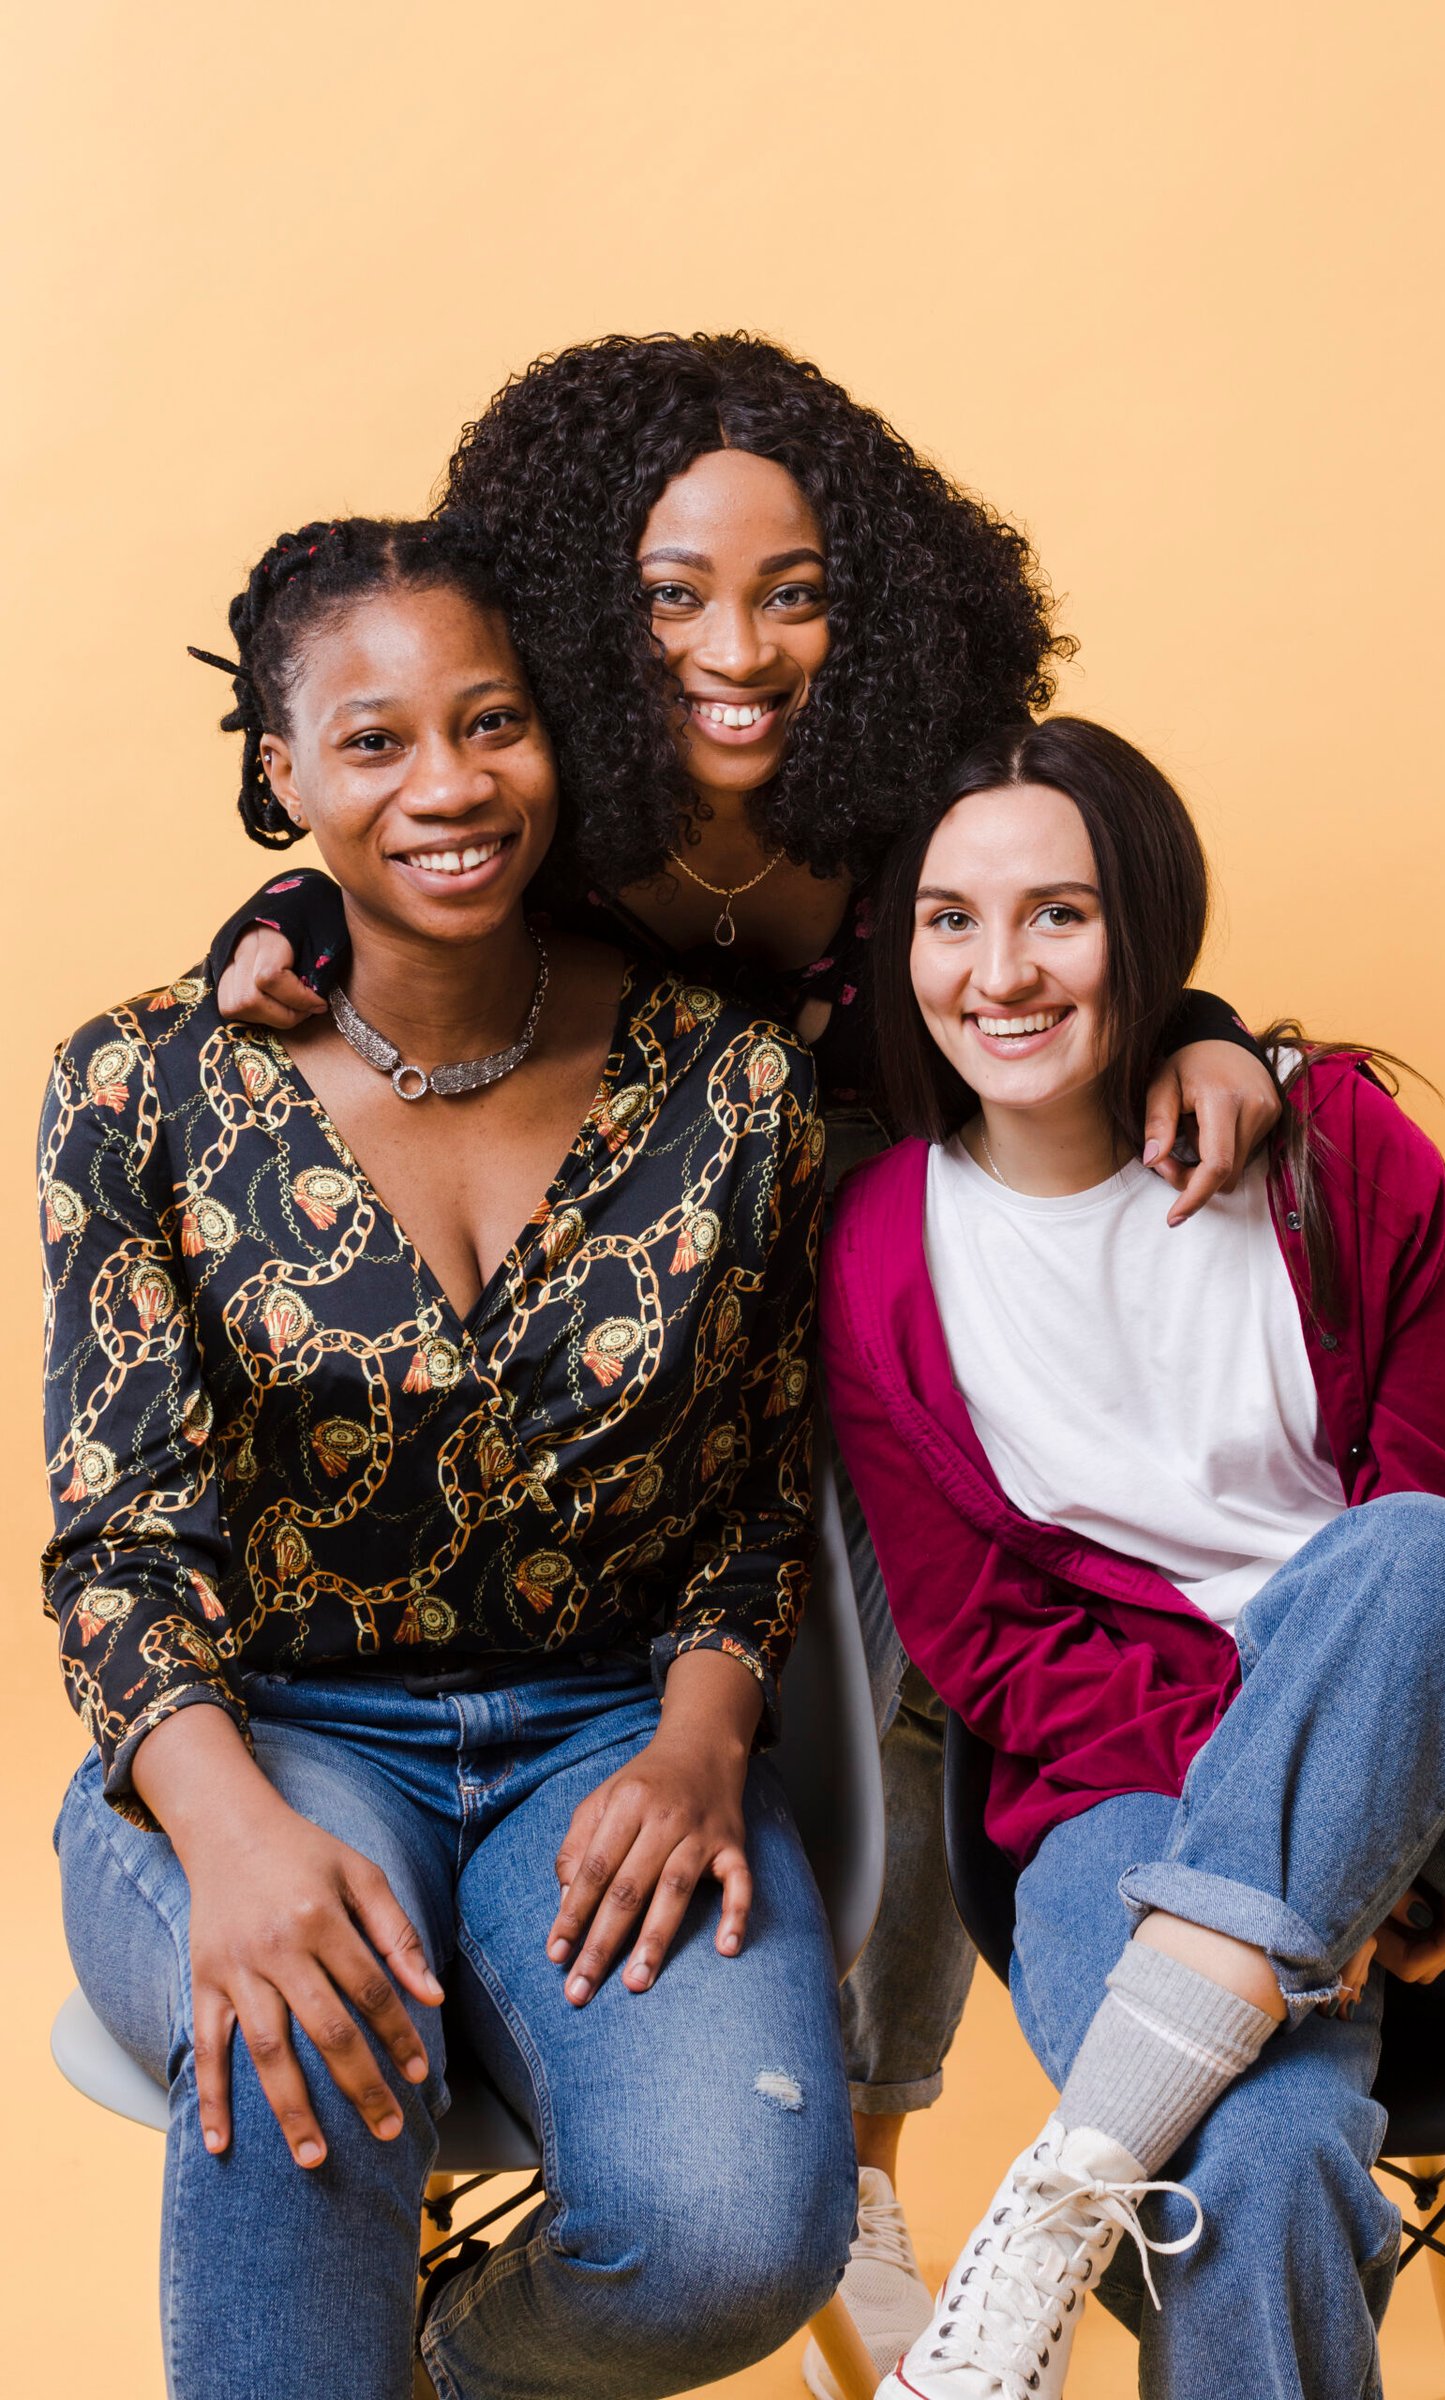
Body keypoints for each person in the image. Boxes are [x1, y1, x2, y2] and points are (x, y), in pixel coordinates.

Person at [198, 331, 1285, 2397]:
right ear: (586, 610)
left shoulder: (909, 788)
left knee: (936, 1681)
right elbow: (397, 859)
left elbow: (1056, 919)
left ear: (868, 604)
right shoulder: (546, 784)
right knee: (767, 1668)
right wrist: (288, 918)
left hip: (889, 1265)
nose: (739, 646)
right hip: (637, 1321)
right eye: (673, 593)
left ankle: (865, 2163)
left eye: (792, 591)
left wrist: (1209, 1022)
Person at [43, 515, 856, 2400]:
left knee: (734, 2235)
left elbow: (751, 1499)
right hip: (266, 1730)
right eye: (377, 740)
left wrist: (700, 1739)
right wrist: (236, 1842)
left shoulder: (733, 1089)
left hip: (601, 1734)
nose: (449, 787)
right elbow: (119, 1545)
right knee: (304, 2049)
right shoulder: (139, 1085)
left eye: (491, 724)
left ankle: (447, 2378)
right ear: (284, 772)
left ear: (559, 735)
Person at [818, 714, 1445, 2400]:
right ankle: (1082, 2206)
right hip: (1140, 1814)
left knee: (1403, 1553)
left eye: (1060, 915)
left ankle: (1059, 2191)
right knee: (1251, 2166)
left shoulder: (1336, 1150)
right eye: (952, 920)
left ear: (1146, 931)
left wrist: (1377, 1817)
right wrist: (1310, 1835)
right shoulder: (882, 1259)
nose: (1000, 972)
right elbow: (998, 1652)